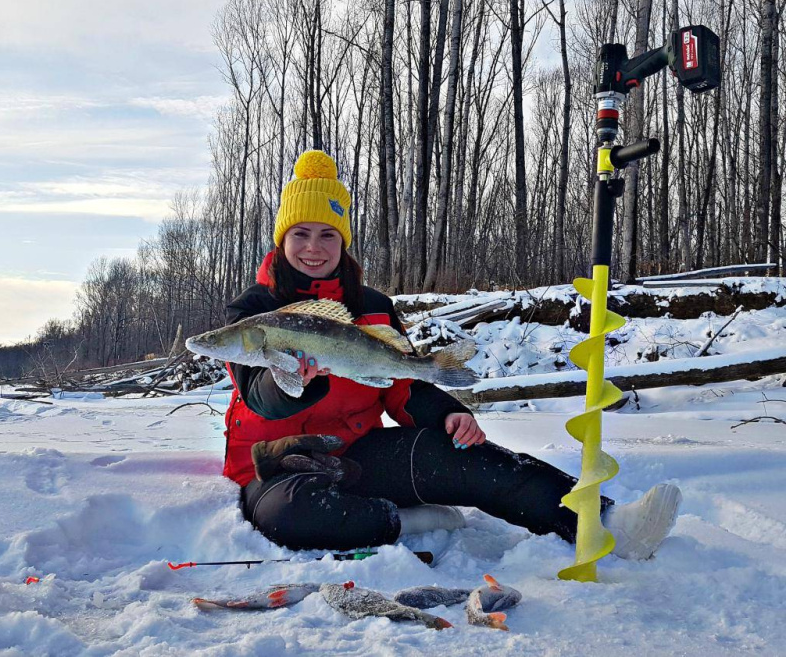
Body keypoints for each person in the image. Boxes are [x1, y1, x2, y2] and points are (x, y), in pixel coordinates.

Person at [222, 149, 681, 560]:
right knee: (292, 517)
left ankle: (603, 523)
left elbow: (401, 383)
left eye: (328, 234)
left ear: (343, 241)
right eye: (301, 233)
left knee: (469, 454)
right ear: (282, 239)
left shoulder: (374, 307)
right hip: (273, 464)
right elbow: (257, 396)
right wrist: (293, 380)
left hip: (356, 453)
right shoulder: (254, 311)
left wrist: (447, 414)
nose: (314, 248)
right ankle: (406, 521)